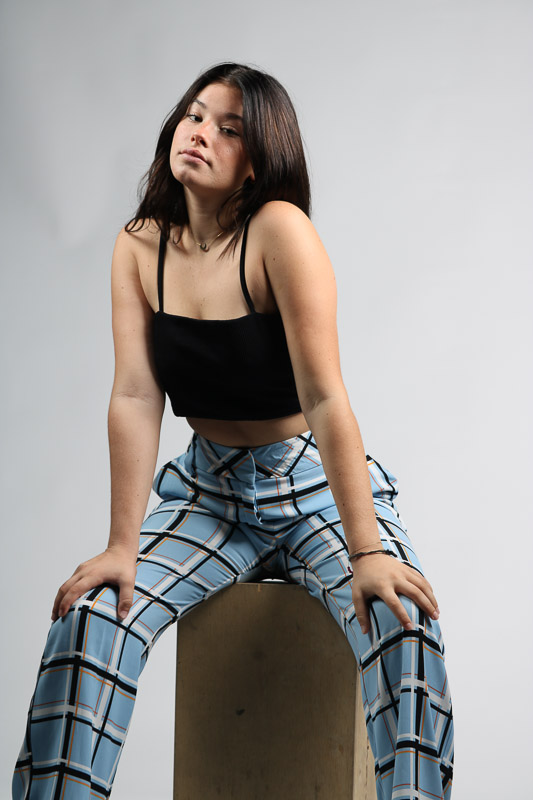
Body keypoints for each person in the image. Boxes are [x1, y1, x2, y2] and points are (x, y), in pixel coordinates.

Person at [12, 62, 454, 799]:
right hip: (208, 493)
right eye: (193, 116)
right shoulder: (139, 245)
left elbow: (324, 398)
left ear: (257, 161)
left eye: (228, 128)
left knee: (403, 623)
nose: (200, 133)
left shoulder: (279, 230)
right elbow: (134, 394)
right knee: (90, 622)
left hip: (310, 485)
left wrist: (367, 550)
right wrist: (121, 546)